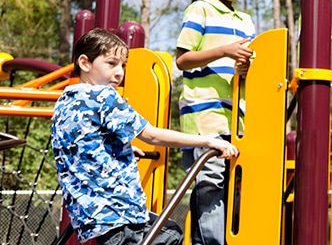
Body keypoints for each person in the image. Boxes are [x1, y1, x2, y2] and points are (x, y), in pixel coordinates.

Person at [52, 28, 239, 245]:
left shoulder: (65, 101)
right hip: (118, 211)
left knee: (167, 231)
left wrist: (117, 149)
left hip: (88, 215)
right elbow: (152, 135)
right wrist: (208, 140)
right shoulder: (103, 95)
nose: (119, 72)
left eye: (123, 65)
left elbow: (77, 143)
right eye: (111, 64)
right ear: (85, 63)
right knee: (171, 235)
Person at [175, 0, 255, 245]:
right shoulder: (200, 11)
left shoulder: (245, 21)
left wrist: (245, 67)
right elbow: (182, 59)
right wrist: (224, 50)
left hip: (237, 115)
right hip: (204, 115)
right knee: (210, 184)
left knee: (228, 188)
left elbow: (246, 69)